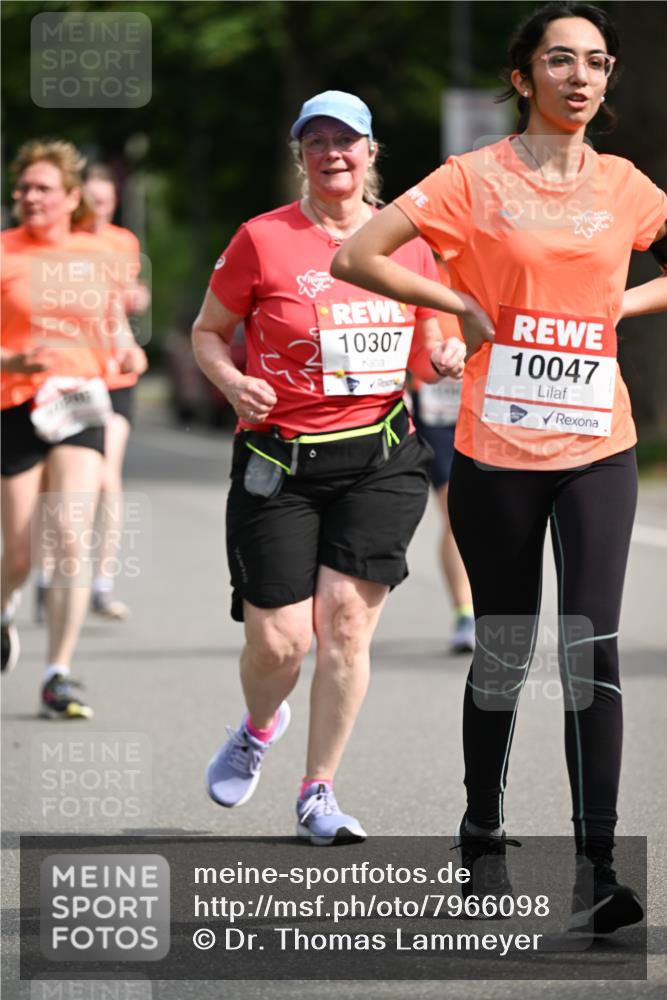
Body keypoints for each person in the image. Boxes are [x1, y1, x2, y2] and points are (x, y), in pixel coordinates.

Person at [332, 2, 666, 931]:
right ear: (522, 78)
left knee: (589, 649)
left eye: (596, 63)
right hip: (496, 450)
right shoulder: (470, 179)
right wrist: (456, 305)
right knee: (507, 650)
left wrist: (619, 309)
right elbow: (356, 254)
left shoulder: (627, 184)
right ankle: (481, 834)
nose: (581, 78)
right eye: (560, 61)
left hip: (598, 444)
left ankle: (596, 868)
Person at [192, 91, 466, 844]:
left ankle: (319, 790)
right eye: (317, 142)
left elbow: (433, 342)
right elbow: (208, 333)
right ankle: (257, 725)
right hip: (276, 461)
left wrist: (444, 353)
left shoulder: (411, 243)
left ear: (371, 152)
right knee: (280, 643)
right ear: (301, 156)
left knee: (344, 624)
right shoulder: (261, 239)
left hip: (379, 456)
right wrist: (231, 379)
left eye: (347, 141)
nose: (333, 153)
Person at [1, 139, 133, 717]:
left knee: (71, 535)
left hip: (79, 401)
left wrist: (129, 353)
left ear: (70, 197)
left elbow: (112, 325)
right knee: (23, 550)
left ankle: (58, 672)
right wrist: (9, 363)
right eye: (23, 188)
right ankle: (6, 607)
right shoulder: (4, 252)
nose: (29, 197)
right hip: (16, 403)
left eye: (42, 189)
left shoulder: (100, 254)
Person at [33, 164, 149, 622]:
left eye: (108, 203)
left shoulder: (124, 242)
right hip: (71, 375)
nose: (100, 210)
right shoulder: (64, 243)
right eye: (93, 202)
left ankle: (100, 582)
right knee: (53, 481)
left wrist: (136, 301)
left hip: (114, 375)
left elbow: (123, 302)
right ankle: (48, 570)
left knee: (105, 476)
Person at [410, 260, 474, 654]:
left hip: (486, 405)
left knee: (496, 513)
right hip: (434, 410)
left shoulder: (497, 262)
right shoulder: (419, 268)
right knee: (457, 512)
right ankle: (465, 613)